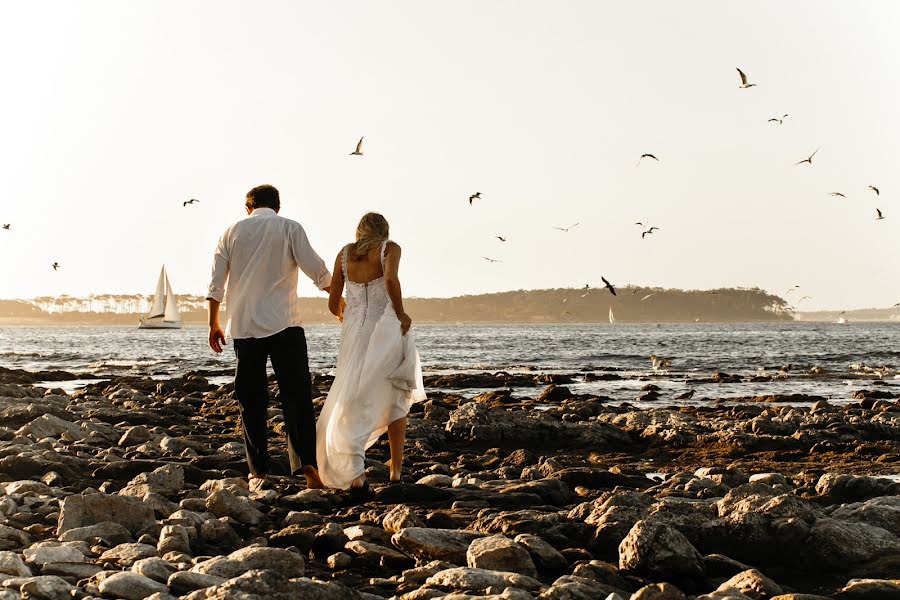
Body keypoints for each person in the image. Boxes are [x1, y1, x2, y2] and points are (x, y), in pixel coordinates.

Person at [206, 184, 336, 492]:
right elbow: (316, 270)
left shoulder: (230, 232)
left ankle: (258, 473)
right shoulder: (290, 227)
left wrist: (213, 324)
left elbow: (215, 284)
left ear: (247, 207)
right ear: (277, 206)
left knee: (251, 401)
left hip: (244, 327)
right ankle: (309, 470)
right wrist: (338, 302)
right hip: (286, 324)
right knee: (297, 399)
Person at [316, 212, 426, 495]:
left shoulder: (344, 254)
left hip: (354, 331)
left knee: (352, 393)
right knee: (395, 393)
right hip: (385, 328)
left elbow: (333, 301)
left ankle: (355, 473)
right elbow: (391, 281)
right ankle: (396, 470)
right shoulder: (389, 248)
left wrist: (347, 318)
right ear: (384, 230)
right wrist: (401, 313)